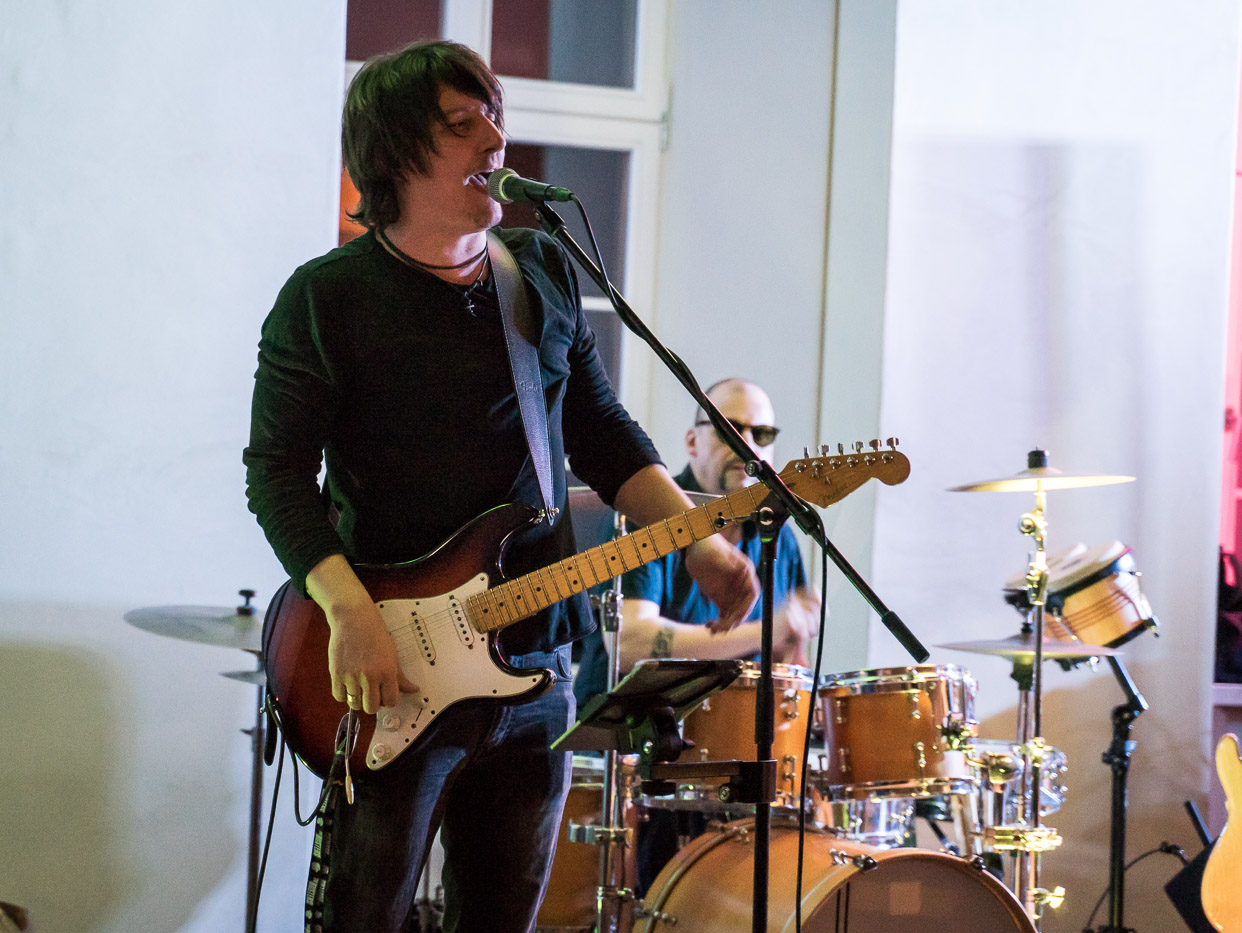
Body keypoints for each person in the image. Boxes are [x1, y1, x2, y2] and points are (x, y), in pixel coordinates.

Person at [242, 40, 757, 933]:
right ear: (396, 151)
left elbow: (603, 434)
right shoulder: (328, 299)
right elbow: (276, 472)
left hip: (535, 667)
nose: (495, 139)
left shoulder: (539, 270)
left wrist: (698, 542)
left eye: (496, 116)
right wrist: (350, 612)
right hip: (398, 671)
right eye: (462, 122)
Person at [605, 377, 820, 895]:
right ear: (692, 440)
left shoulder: (777, 530)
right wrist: (761, 634)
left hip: (744, 767)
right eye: (729, 428)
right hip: (649, 767)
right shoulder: (652, 513)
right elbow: (628, 642)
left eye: (762, 433)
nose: (747, 444)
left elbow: (794, 649)